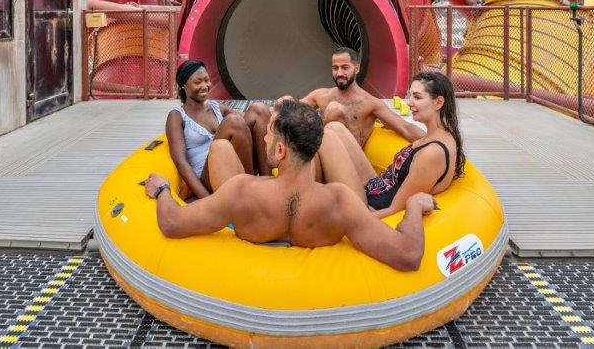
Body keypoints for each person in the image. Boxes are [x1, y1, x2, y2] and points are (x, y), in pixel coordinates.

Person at [143, 99, 435, 271]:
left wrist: (163, 190)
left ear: (281, 150)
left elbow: (171, 223)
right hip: (318, 276)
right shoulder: (339, 201)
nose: (264, 138)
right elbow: (408, 255)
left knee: (219, 150)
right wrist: (413, 206)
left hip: (249, 267)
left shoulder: (241, 191)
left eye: (269, 135)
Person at [317, 71, 465, 219]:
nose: (409, 102)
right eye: (410, 96)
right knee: (335, 127)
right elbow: (408, 130)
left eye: (417, 97)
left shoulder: (432, 153)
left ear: (438, 102)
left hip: (368, 207)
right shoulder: (439, 136)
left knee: (328, 137)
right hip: (375, 187)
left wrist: (355, 223)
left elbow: (395, 208)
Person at [166, 60, 272, 199]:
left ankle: (268, 184)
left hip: (236, 166)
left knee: (259, 109)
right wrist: (208, 200)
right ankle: (251, 190)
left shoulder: (216, 107)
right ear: (183, 86)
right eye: (198, 82)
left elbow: (251, 119)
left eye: (206, 80)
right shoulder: (177, 116)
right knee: (233, 122)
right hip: (209, 176)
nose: (205, 86)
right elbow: (181, 162)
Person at [280, 47, 423, 147]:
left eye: (345, 67)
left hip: (349, 163)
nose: (339, 73)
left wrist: (435, 141)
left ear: (357, 68)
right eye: (335, 68)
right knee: (283, 101)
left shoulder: (370, 103)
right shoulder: (321, 95)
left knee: (334, 109)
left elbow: (405, 128)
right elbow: (290, 111)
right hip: (320, 155)